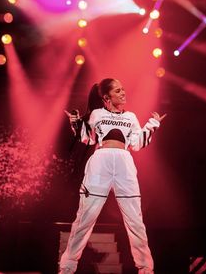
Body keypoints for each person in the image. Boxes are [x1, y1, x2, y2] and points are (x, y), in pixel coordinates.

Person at [59, 78, 166, 274]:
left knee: (135, 219)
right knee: (85, 217)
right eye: (118, 91)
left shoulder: (131, 117)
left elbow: (136, 143)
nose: (123, 93)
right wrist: (75, 123)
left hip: (125, 163)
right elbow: (87, 138)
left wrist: (152, 126)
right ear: (106, 97)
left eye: (123, 89)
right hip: (100, 163)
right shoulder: (96, 114)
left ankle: (145, 268)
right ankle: (67, 267)